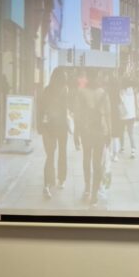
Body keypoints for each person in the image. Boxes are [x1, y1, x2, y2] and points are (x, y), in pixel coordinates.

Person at [74, 69, 111, 206]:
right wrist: (110, 134)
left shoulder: (81, 93)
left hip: (86, 131)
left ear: (88, 78)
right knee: (97, 163)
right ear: (98, 77)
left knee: (86, 159)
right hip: (100, 132)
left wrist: (76, 133)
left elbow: (77, 114)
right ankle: (94, 194)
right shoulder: (103, 93)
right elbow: (108, 115)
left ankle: (87, 189)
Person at [39, 68, 70, 199]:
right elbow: (68, 108)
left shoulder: (47, 90)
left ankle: (48, 184)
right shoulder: (65, 90)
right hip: (60, 126)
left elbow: (40, 108)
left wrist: (39, 125)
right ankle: (60, 179)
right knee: (61, 153)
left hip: (50, 126)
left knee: (50, 155)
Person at [116, 74, 137, 158]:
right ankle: (133, 150)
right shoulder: (132, 90)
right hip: (132, 115)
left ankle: (122, 147)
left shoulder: (120, 91)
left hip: (123, 115)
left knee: (121, 132)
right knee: (131, 133)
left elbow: (120, 103)